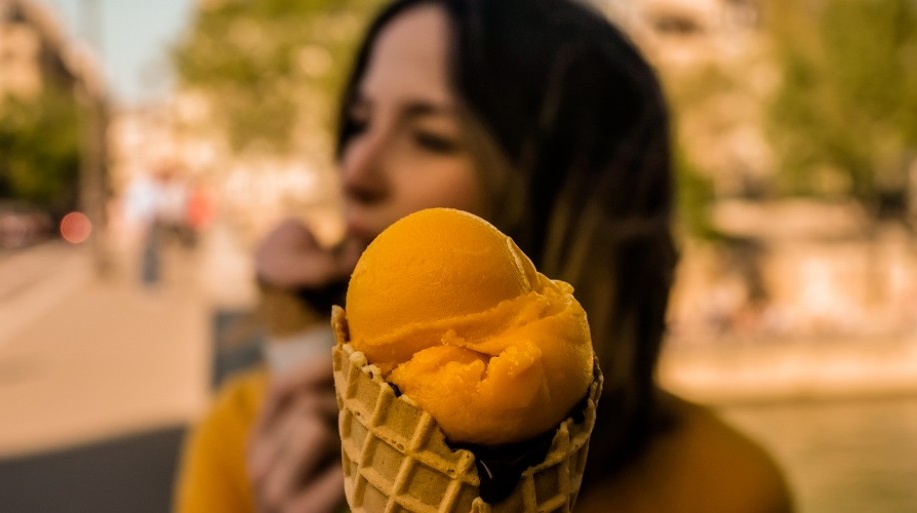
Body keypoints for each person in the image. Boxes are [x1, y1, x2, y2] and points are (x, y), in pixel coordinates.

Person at [174, 0, 794, 512]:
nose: (355, 168)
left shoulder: (731, 488)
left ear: (561, 189)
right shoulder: (241, 442)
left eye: (430, 137)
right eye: (359, 122)